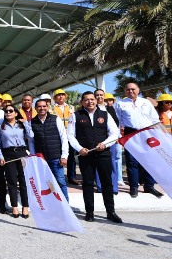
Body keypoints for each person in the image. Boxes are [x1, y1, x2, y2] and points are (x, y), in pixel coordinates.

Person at [68, 91, 122, 223]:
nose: (90, 101)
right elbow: (70, 135)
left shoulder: (105, 114)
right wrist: (80, 149)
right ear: (82, 102)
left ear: (96, 101)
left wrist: (105, 144)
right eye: (86, 100)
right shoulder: (75, 115)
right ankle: (89, 212)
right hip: (86, 155)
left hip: (103, 154)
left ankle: (110, 212)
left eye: (92, 99)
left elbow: (115, 133)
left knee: (107, 183)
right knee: (87, 183)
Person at [115, 82, 163, 198]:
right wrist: (118, 136)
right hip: (130, 133)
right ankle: (133, 187)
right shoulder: (120, 103)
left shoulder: (145, 102)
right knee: (132, 162)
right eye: (128, 89)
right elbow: (117, 121)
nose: (130, 91)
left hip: (147, 133)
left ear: (138, 90)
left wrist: (158, 133)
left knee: (149, 161)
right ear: (125, 91)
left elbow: (154, 118)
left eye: (133, 89)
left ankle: (149, 186)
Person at [0, 106, 33, 217]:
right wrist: (1, 157)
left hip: (22, 153)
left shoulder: (21, 125)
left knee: (23, 181)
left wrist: (26, 123)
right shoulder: (0, 127)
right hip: (8, 154)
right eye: (6, 111)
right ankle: (14, 207)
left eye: (11, 111)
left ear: (16, 113)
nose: (8, 113)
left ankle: (25, 206)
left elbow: (31, 136)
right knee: (11, 182)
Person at [29, 99, 70, 201]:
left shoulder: (55, 119)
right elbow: (31, 142)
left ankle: (65, 205)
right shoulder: (32, 122)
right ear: (35, 108)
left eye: (44, 106)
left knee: (60, 182)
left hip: (56, 157)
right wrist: (34, 157)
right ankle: (50, 205)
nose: (42, 108)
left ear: (47, 107)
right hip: (41, 159)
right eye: (39, 106)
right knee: (45, 183)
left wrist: (64, 156)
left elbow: (63, 137)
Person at [53, 89, 79, 185]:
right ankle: (57, 177)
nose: (61, 97)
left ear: (65, 96)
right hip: (57, 136)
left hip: (70, 135)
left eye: (62, 95)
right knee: (58, 156)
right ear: (55, 97)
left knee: (71, 156)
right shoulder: (51, 108)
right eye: (58, 95)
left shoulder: (71, 107)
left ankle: (72, 177)